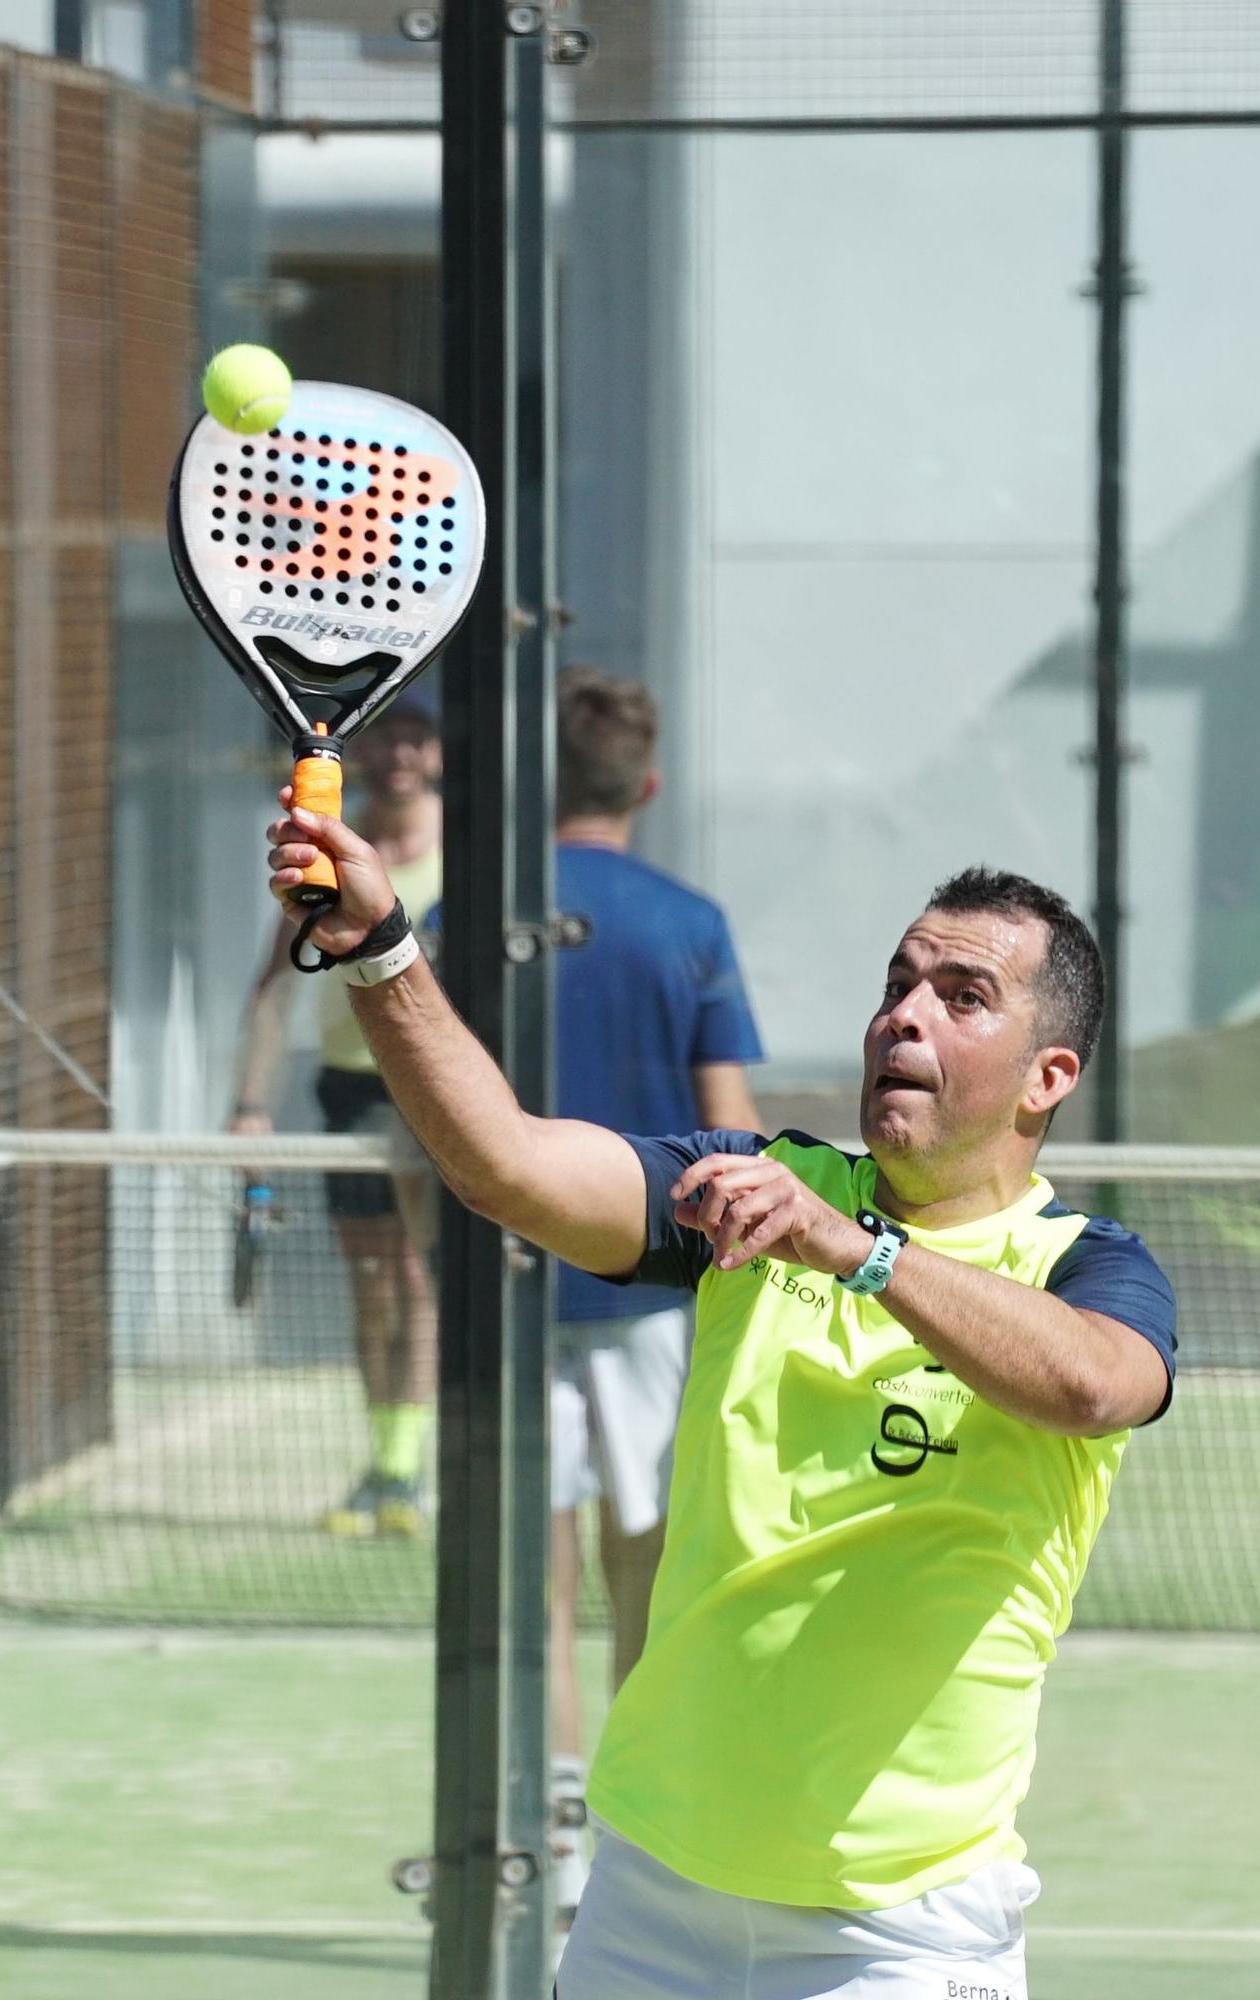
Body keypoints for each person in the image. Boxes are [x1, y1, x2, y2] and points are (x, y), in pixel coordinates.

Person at [263, 795, 1177, 2000]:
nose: (903, 1013)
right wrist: (378, 949)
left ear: (1045, 1076)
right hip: (651, 1896)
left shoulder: (1082, 1264)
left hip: (897, 1931)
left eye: (961, 997)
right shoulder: (755, 1188)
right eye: (896, 982)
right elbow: (506, 1165)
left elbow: (1093, 1383)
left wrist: (859, 1252)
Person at [548, 666, 763, 1907]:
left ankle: (559, 1828)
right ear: (649, 783)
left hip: (512, 1292)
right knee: (647, 1572)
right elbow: (729, 1132)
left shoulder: (479, 911)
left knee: (535, 1582)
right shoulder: (689, 921)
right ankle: (628, 1831)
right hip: (649, 1308)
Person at [230, 697, 443, 1538]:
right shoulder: (326, 855)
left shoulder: (467, 856)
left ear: (433, 754)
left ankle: (407, 1469)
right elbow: (271, 989)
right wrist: (247, 1106)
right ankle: (383, 1465)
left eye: (413, 739)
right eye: (385, 738)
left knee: (421, 1278)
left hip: (429, 1090)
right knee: (372, 1285)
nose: (398, 755)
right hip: (348, 1091)